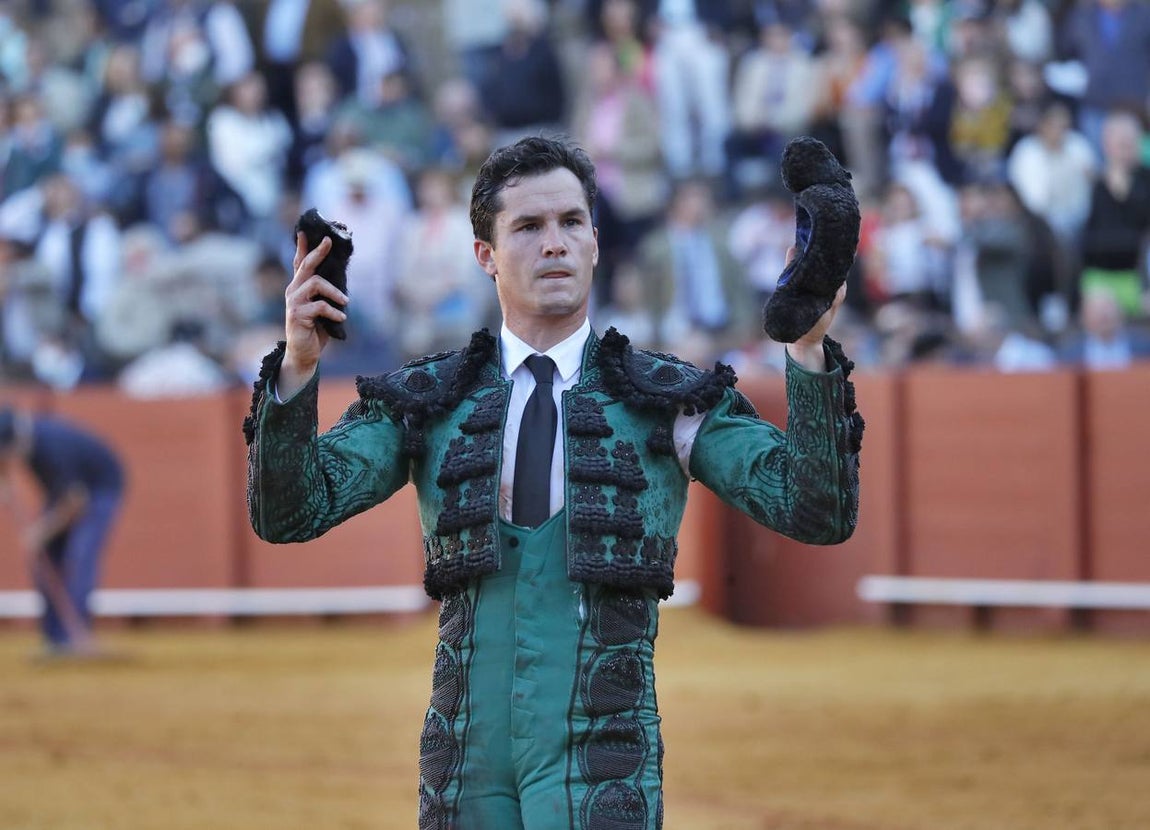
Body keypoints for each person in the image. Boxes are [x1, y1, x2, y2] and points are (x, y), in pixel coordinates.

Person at [243, 136, 863, 828]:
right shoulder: (430, 401)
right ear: (485, 255)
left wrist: (807, 354)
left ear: (596, 242)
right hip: (463, 762)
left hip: (603, 755)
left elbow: (813, 509)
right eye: (529, 228)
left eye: (571, 223)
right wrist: (298, 368)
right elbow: (291, 511)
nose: (555, 244)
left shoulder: (666, 401)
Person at [0, 406, 125, 657]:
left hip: (99, 489)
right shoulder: (24, 438)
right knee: (44, 556)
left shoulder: (52, 447)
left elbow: (75, 502)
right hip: (65, 494)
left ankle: (75, 636)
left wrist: (41, 531)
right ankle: (56, 639)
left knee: (79, 555)